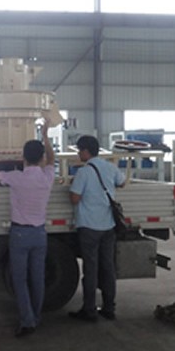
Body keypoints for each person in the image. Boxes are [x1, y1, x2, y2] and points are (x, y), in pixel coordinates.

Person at [0, 122, 55, 338]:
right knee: (38, 278)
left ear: (23, 157)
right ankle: (36, 317)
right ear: (41, 158)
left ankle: (27, 320)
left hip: (20, 235)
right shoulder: (47, 177)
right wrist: (45, 135)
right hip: (39, 234)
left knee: (19, 280)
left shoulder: (16, 178)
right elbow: (52, 159)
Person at [68, 135, 126, 322]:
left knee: (91, 269)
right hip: (108, 226)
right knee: (108, 268)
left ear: (86, 151)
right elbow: (122, 182)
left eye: (79, 150)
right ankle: (109, 308)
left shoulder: (84, 172)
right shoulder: (110, 167)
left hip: (89, 227)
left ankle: (89, 310)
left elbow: (74, 199)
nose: (78, 154)